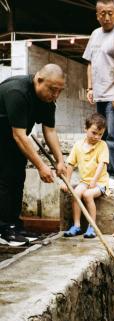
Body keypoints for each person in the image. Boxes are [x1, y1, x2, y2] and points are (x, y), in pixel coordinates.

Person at [0, 63, 66, 246]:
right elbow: (19, 135)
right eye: (53, 90)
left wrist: (60, 160)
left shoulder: (48, 100)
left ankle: (15, 225)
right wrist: (41, 166)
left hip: (12, 139)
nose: (55, 95)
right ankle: (4, 228)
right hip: (6, 136)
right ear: (39, 80)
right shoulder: (18, 92)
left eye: (60, 91)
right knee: (5, 180)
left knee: (17, 178)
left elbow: (50, 131)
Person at [83, 0, 114, 189]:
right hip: (100, 94)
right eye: (102, 13)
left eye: (110, 13)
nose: (106, 17)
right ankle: (103, 174)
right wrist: (90, 88)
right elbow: (90, 62)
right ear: (97, 15)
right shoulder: (95, 34)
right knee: (100, 136)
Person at [62, 113, 109, 239]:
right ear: (86, 129)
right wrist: (67, 181)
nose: (97, 137)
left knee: (87, 195)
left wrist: (94, 180)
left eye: (100, 134)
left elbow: (101, 164)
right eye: (94, 133)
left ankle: (91, 227)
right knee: (76, 193)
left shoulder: (102, 145)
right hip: (85, 181)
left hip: (100, 182)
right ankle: (77, 226)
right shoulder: (78, 146)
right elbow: (70, 164)